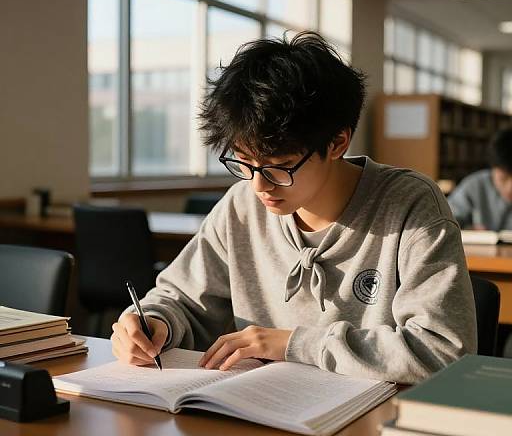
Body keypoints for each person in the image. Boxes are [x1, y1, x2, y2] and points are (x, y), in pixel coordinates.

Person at [111, 32, 476, 384]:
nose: (259, 185)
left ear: (337, 143)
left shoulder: (410, 204)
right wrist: (154, 322)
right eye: (244, 162)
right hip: (268, 408)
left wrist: (292, 344)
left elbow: (443, 350)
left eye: (279, 167)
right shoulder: (240, 206)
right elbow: (183, 298)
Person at [448, 127, 512, 231]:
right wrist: (468, 229)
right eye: (503, 178)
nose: (510, 188)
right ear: (493, 168)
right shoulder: (474, 185)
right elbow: (446, 221)